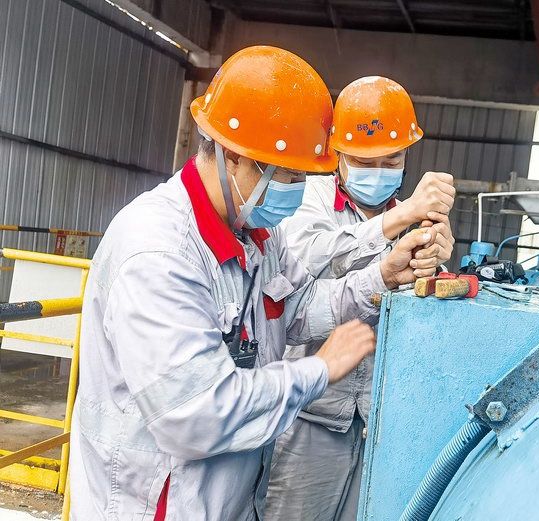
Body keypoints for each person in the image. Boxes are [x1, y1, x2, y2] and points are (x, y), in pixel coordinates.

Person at [67, 48, 442, 521]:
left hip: (229, 497)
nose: (297, 190)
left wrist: (381, 277)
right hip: (160, 504)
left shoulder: (257, 232)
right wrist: (317, 370)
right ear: (232, 156)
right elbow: (197, 414)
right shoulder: (159, 253)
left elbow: (300, 306)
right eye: (287, 174)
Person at [265, 76, 456, 520]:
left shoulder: (412, 219)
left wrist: (436, 266)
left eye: (392, 160)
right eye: (364, 161)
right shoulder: (305, 197)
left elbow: (419, 318)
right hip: (310, 415)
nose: (380, 171)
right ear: (338, 155)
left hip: (376, 422)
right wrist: (396, 222)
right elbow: (308, 260)